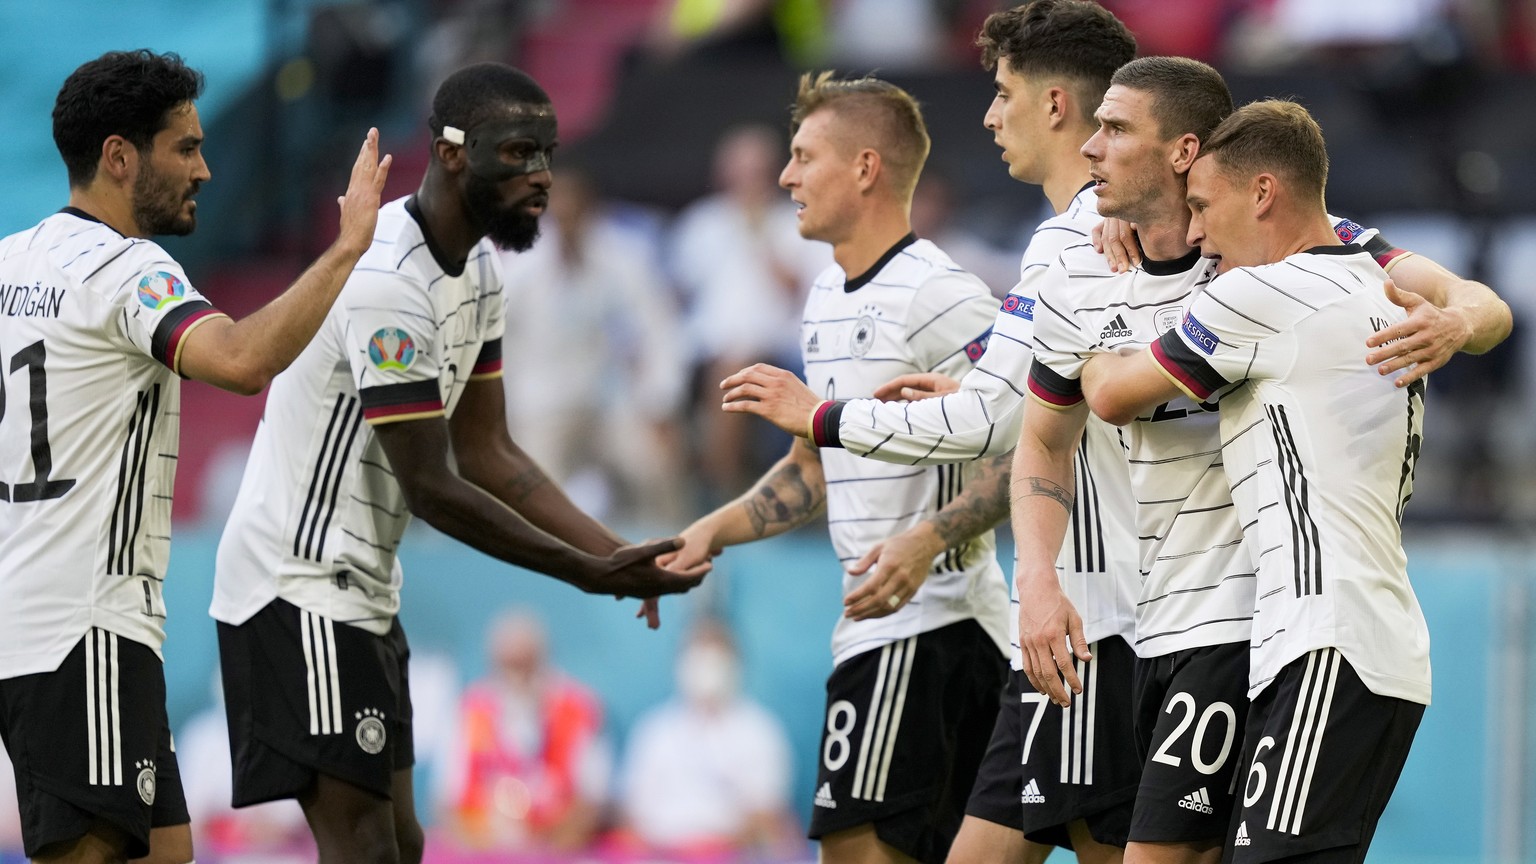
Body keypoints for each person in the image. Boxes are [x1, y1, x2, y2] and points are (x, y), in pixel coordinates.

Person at [1013, 58, 1509, 864]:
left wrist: (1082, 318)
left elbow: (1105, 392)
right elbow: (1043, 434)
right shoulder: (1339, 276)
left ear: (1192, 159)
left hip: (1289, 629)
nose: (1092, 149)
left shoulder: (1274, 282)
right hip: (1194, 626)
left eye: (1115, 128)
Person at [209, 63, 707, 864]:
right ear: (450, 156)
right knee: (364, 846)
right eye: (516, 153)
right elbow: (435, 488)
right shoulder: (384, 282)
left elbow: (492, 453)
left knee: (403, 843)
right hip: (293, 587)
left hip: (363, 590)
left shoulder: (477, 269)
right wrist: (586, 571)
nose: (539, 176)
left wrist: (614, 550)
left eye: (545, 154)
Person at [721, 4, 1143, 862]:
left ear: (1055, 104)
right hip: (1060, 624)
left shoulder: (1076, 240)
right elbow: (1023, 403)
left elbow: (992, 420)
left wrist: (823, 417)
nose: (988, 115)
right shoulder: (1080, 236)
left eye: (1003, 92)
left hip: (1109, 619)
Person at [0, 49, 391, 864]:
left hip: (28, 618)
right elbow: (243, 361)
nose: (206, 169)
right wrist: (347, 245)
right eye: (185, 147)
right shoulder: (128, 269)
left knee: (168, 853)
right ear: (118, 156)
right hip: (86, 626)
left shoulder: (9, 263)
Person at [675, 72, 1010, 864]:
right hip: (882, 627)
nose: (786, 177)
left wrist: (927, 541)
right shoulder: (825, 293)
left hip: (929, 628)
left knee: (855, 852)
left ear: (866, 167)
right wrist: (709, 532)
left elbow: (1025, 448)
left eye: (802, 156)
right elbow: (812, 471)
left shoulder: (941, 292)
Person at [499, 165, 690, 525]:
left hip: (616, 402)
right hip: (543, 401)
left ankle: (679, 551)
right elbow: (495, 337)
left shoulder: (626, 258)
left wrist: (660, 403)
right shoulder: (521, 262)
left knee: (654, 465)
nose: (567, 215)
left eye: (576, 206)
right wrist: (501, 407)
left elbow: (660, 331)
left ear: (591, 208)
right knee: (528, 486)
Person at [617, 617, 798, 857]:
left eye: (715, 660)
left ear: (736, 664)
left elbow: (767, 815)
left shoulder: (760, 730)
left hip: (732, 853)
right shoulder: (653, 729)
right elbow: (631, 812)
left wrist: (713, 849)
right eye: (697, 657)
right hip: (659, 853)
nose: (705, 669)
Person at [435, 610, 612, 853]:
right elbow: (447, 803)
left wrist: (544, 849)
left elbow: (592, 802)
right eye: (509, 664)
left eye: (525, 663)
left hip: (556, 852)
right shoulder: (471, 711)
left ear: (544, 657)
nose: (517, 676)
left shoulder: (579, 709)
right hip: (486, 852)